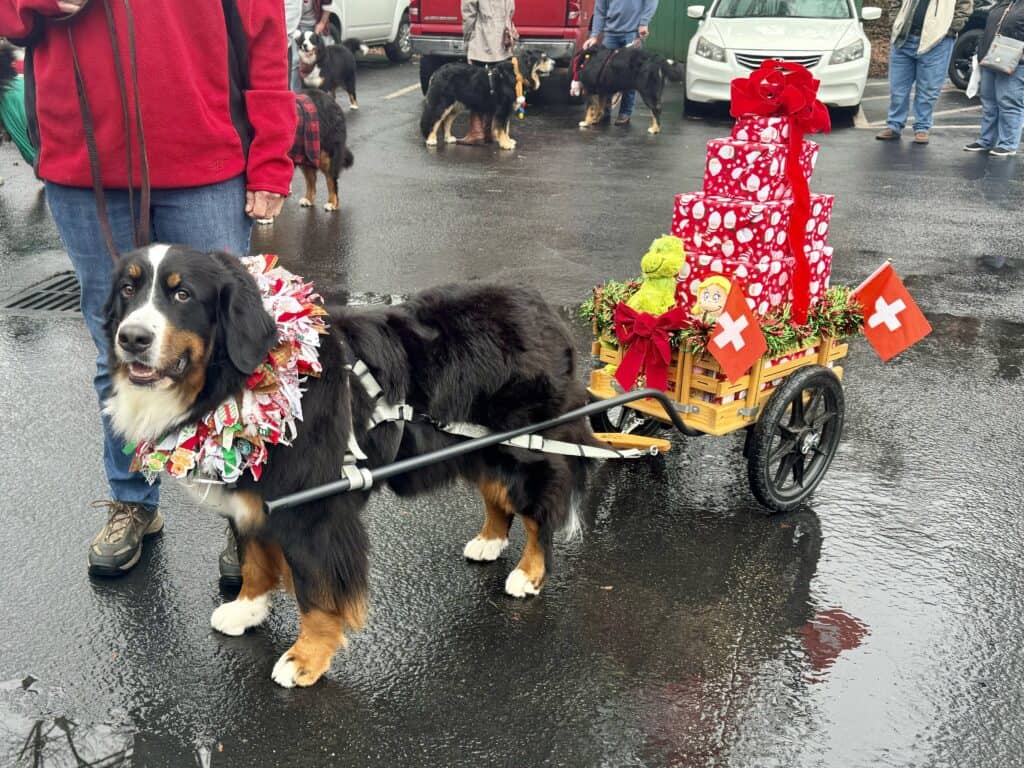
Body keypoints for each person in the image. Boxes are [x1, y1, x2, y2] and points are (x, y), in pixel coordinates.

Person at [0, 0, 295, 581]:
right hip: (83, 165)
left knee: (234, 350)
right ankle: (132, 501)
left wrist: (270, 158)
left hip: (206, 161)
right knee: (117, 347)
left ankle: (246, 519)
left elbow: (265, 36)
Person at [876, 0, 973, 144]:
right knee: (897, 88)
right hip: (904, 38)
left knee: (928, 89)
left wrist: (951, 29)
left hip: (937, 41)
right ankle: (894, 125)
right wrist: (895, 21)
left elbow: (965, 6)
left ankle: (922, 128)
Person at [583, 0, 659, 127]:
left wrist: (644, 22)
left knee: (630, 76)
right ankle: (603, 112)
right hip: (610, 34)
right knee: (603, 76)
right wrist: (594, 35)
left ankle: (625, 113)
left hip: (632, 33)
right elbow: (600, 10)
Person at [964, 0, 1024, 156]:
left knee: (1009, 101)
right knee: (989, 100)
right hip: (991, 56)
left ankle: (1008, 144)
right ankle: (986, 140)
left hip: (1015, 60)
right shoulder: (1002, 3)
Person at [457, 0, 516, 145]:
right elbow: (511, 9)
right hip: (503, 40)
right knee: (497, 91)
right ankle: (492, 132)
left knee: (477, 87)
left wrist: (467, 39)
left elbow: (469, 13)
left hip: (482, 40)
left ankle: (476, 132)